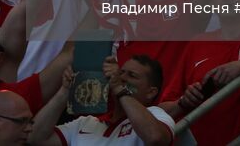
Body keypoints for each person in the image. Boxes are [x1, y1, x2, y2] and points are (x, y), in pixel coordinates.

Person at [30, 55, 194, 146]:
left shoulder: (156, 115)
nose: (122, 78)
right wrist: (64, 92)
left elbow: (155, 138)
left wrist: (119, 88)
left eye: (132, 76)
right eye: (121, 72)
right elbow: (35, 138)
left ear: (151, 92)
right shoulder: (85, 123)